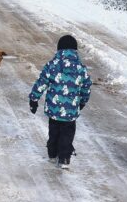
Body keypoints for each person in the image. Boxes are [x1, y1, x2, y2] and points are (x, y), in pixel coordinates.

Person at [29, 35, 92, 170]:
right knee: (67, 134)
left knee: (54, 131)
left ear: (59, 49)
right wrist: (83, 101)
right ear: (75, 50)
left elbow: (41, 83)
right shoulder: (81, 68)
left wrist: (34, 99)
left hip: (54, 109)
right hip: (70, 111)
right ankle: (64, 158)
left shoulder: (52, 65)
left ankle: (52, 154)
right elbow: (86, 87)